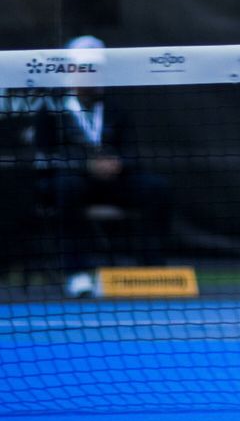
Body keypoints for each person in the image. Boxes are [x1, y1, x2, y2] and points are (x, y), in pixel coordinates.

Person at [33, 35, 173, 296]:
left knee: (156, 188)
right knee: (67, 187)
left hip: (115, 182)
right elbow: (44, 159)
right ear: (70, 71)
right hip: (72, 183)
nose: (93, 74)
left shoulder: (116, 109)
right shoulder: (50, 110)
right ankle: (77, 273)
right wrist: (85, 165)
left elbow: (133, 153)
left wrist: (118, 163)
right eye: (86, 68)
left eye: (97, 68)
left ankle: (151, 270)